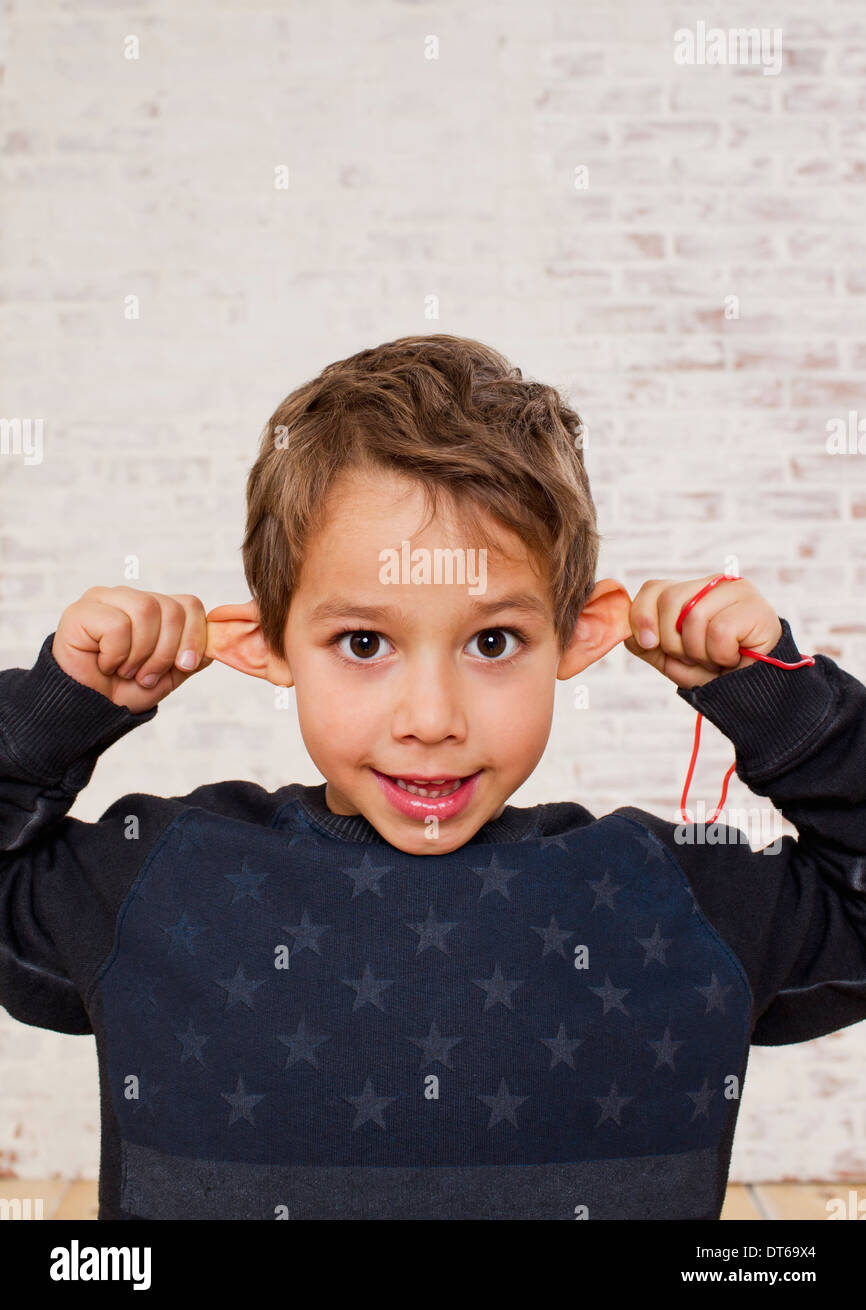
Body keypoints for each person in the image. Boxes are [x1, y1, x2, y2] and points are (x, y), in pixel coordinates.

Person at [2, 333, 865, 1221]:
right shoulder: (155, 879)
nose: (430, 717)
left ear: (579, 634)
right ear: (263, 643)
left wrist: (780, 701)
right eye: (364, 643)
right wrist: (58, 711)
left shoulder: (677, 897)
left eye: (493, 642)